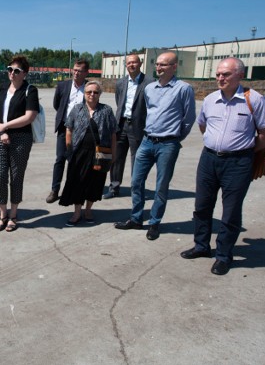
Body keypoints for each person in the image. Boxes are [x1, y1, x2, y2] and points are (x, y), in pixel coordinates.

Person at [181, 57, 265, 275]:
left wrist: (245, 150)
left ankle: (224, 255)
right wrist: (217, 145)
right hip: (209, 159)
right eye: (218, 74)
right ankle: (201, 246)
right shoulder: (210, 99)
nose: (220, 78)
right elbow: (203, 126)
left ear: (240, 76)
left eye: (226, 74)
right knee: (202, 205)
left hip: (238, 163)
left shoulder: (254, 100)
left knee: (231, 211)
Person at [114, 51, 195, 240]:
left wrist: (174, 138)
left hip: (167, 144)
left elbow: (189, 119)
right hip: (147, 141)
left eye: (163, 65)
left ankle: (154, 223)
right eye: (157, 64)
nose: (158, 68)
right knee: (136, 181)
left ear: (174, 67)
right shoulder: (150, 88)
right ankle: (136, 218)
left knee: (161, 186)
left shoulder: (183, 89)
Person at [0, 55, 40, 232]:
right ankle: (2, 214)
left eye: (16, 71)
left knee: (16, 177)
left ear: (24, 73)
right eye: (9, 69)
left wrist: (6, 126)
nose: (12, 73)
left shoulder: (30, 90)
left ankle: (13, 215)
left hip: (20, 139)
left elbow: (29, 116)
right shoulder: (2, 87)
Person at [59, 81, 117, 225]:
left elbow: (113, 134)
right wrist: (69, 148)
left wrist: (113, 154)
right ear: (84, 94)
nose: (92, 94)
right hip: (79, 152)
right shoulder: (77, 109)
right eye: (89, 92)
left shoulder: (107, 110)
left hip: (100, 153)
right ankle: (77, 212)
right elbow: (69, 129)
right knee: (77, 182)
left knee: (95, 182)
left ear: (100, 94)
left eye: (95, 92)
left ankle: (88, 210)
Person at [103, 54, 154, 199]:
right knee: (116, 157)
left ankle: (136, 190)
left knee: (137, 158)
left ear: (140, 63)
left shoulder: (149, 82)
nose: (131, 65)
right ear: (126, 65)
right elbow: (119, 101)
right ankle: (114, 188)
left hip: (138, 126)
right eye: (129, 63)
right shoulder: (121, 82)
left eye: (134, 62)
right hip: (120, 124)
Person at [46, 59, 90, 204]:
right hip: (65, 129)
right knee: (60, 159)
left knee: (77, 161)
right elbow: (57, 104)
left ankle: (73, 188)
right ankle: (55, 190)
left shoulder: (89, 87)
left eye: (80, 71)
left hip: (82, 131)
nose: (76, 73)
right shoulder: (63, 86)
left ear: (86, 72)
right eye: (75, 70)